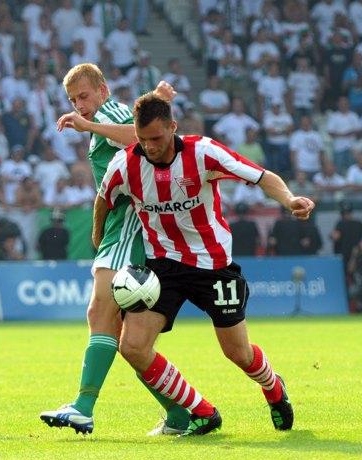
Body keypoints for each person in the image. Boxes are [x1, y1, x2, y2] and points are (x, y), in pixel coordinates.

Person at [97, 93, 314, 435]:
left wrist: (289, 199)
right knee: (133, 347)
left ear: (173, 127)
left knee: (238, 353)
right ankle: (203, 411)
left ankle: (273, 387)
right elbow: (103, 199)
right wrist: (98, 237)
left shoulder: (203, 152)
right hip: (163, 267)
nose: (149, 147)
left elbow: (261, 176)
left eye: (156, 138)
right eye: (141, 140)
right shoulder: (125, 164)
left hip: (213, 266)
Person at [39, 64, 191, 436]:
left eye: (84, 96)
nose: (80, 105)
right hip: (120, 229)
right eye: (73, 100)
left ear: (103, 91)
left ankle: (84, 408)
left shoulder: (108, 114)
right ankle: (181, 413)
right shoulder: (106, 116)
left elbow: (139, 137)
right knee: (128, 341)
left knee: (99, 310)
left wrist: (90, 124)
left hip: (128, 228)